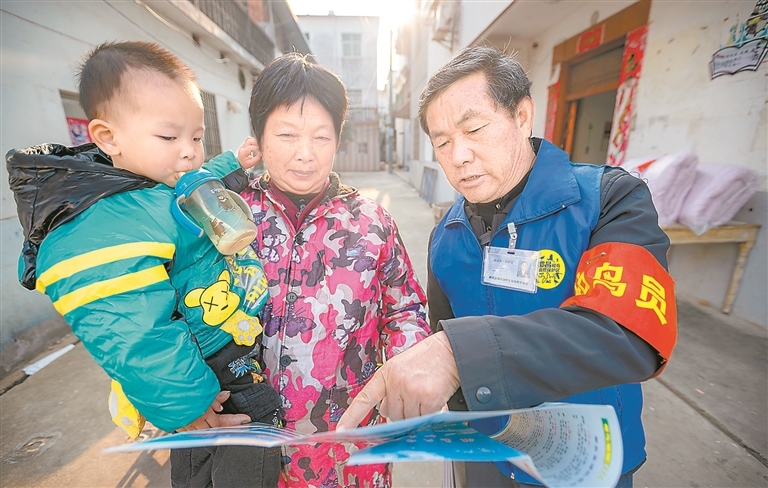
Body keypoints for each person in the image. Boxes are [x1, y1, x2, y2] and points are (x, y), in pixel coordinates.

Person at [339, 46, 678, 488]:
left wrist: (458, 354)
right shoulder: (448, 234)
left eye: (475, 129)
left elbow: (628, 333)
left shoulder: (608, 199)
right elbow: (444, 335)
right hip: (486, 457)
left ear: (522, 116)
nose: (458, 155)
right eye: (442, 142)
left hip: (583, 462)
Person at [6, 41, 283, 487]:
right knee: (251, 445)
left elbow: (193, 186)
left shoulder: (142, 186)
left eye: (196, 135)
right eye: (170, 137)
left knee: (210, 464)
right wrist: (187, 403)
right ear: (108, 137)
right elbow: (130, 331)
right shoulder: (99, 228)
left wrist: (232, 163)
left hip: (217, 355)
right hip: (206, 375)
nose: (190, 151)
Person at [240, 52, 430, 487]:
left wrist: (404, 373)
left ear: (337, 140)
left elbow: (405, 311)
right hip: (249, 450)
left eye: (321, 137)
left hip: (350, 450)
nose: (304, 154)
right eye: (286, 134)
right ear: (260, 137)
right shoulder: (227, 218)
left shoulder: (373, 223)